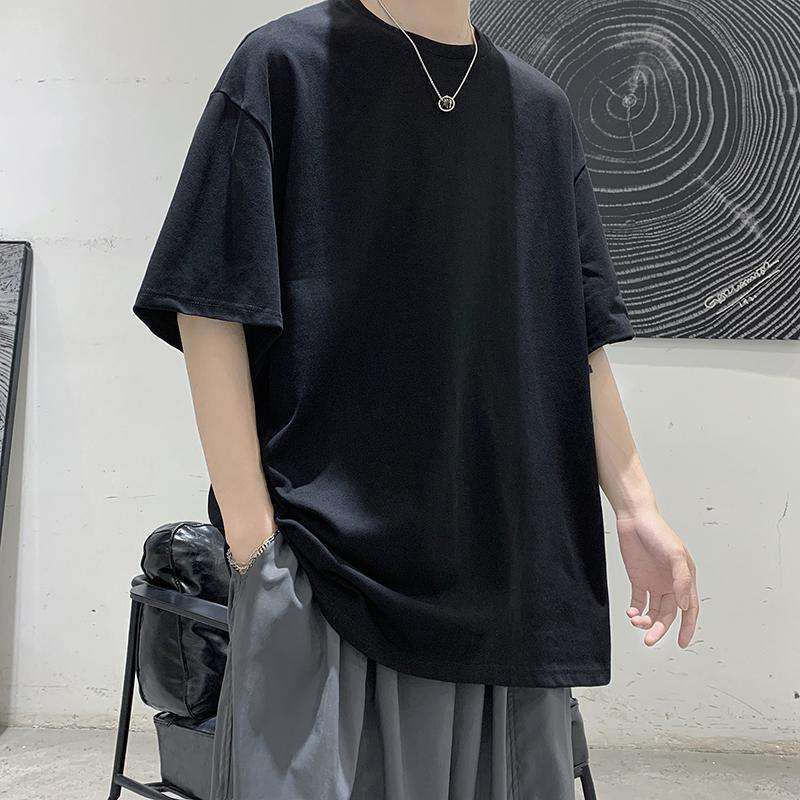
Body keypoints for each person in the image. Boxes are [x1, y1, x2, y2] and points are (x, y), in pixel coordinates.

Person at [132, 1, 700, 798]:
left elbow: (576, 335)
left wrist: (637, 507)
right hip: (328, 576)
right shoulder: (283, 68)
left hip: (506, 590)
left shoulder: (538, 112)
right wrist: (255, 543)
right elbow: (210, 302)